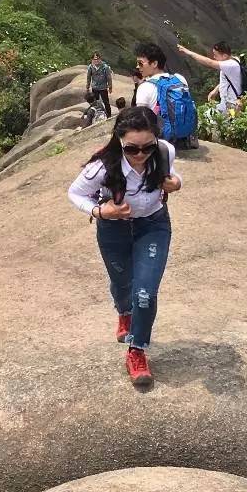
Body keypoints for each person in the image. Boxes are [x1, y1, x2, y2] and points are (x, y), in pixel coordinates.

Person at [67, 106, 182, 389]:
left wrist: (175, 183)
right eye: (132, 149)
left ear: (156, 140)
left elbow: (174, 176)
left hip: (153, 226)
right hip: (114, 229)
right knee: (122, 282)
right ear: (119, 141)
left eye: (147, 147)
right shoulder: (102, 167)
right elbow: (75, 193)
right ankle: (123, 313)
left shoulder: (164, 151)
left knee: (144, 292)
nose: (141, 155)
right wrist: (100, 211)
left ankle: (136, 350)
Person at [134, 43, 199, 146]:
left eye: (140, 63)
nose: (137, 67)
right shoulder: (179, 78)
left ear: (154, 64)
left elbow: (140, 120)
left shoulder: (145, 87)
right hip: (184, 137)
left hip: (161, 142)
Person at [175, 39, 245, 115]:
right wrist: (215, 90)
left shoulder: (230, 64)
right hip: (228, 103)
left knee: (208, 119)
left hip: (231, 105)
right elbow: (230, 80)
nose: (214, 57)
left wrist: (188, 52)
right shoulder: (234, 60)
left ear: (225, 56)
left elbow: (209, 62)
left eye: (216, 55)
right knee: (213, 120)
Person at [86, 52, 114, 119]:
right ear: (92, 60)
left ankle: (109, 115)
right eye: (94, 59)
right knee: (95, 102)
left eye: (97, 59)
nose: (96, 61)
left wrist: (110, 87)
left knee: (106, 102)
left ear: (100, 59)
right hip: (95, 87)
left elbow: (109, 77)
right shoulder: (91, 67)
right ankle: (96, 115)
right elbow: (89, 77)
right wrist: (87, 85)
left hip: (103, 87)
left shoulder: (105, 67)